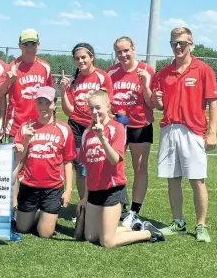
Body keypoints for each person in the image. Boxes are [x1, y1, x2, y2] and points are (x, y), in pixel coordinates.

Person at [77, 90, 165, 248]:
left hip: (113, 190)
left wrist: (102, 138)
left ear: (108, 106)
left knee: (107, 242)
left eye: (98, 107)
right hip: (95, 191)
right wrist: (85, 196)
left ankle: (148, 232)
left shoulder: (117, 128)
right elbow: (88, 169)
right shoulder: (86, 133)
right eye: (91, 108)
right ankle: (131, 227)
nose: (94, 112)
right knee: (90, 237)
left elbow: (114, 159)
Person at [153, 27, 216, 243]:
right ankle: (177, 222)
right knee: (172, 179)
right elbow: (159, 105)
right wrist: (157, 99)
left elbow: (212, 101)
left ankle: (201, 225)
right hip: (169, 129)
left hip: (193, 130)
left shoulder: (203, 69)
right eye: (174, 43)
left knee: (197, 179)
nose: (178, 47)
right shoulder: (163, 73)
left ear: (191, 44)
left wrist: (213, 132)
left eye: (182, 43)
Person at [13, 86, 75, 238]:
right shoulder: (25, 127)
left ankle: (44, 214)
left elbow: (68, 162)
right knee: (22, 228)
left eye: (47, 103)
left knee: (45, 233)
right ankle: (37, 213)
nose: (43, 107)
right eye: (40, 102)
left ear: (54, 104)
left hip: (52, 187)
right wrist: (26, 139)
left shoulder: (64, 129)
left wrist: (68, 191)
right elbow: (18, 158)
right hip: (29, 185)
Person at [106, 36, 155, 225]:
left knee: (139, 167)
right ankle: (118, 204)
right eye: (119, 51)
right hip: (118, 125)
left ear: (133, 49)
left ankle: (135, 210)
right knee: (114, 165)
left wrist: (144, 84)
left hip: (140, 125)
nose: (123, 54)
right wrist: (113, 116)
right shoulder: (111, 72)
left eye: (126, 50)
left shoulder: (146, 70)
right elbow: (107, 100)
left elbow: (152, 103)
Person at [60, 43, 113, 202]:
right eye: (77, 58)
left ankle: (96, 201)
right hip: (76, 126)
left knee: (96, 163)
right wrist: (63, 91)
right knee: (80, 166)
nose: (80, 61)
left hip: (95, 126)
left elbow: (106, 105)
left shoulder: (103, 77)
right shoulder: (73, 80)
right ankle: (83, 204)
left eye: (84, 57)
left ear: (92, 57)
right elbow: (69, 111)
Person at [0, 28, 53, 142]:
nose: (29, 48)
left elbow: (51, 97)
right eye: (26, 44)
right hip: (16, 127)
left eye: (33, 44)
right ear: (20, 46)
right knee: (15, 159)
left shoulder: (45, 67)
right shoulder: (13, 66)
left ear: (38, 45)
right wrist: (7, 82)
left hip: (40, 125)